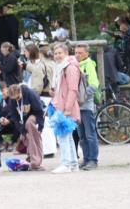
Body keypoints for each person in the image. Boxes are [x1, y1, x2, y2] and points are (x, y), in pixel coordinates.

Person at [50, 43, 82, 174]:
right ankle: (73, 164)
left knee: (63, 135)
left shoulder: (70, 68)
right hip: (60, 104)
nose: (57, 56)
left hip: (66, 106)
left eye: (60, 53)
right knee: (67, 136)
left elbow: (73, 89)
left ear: (66, 53)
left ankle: (66, 163)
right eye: (56, 53)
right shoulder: (59, 68)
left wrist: (68, 108)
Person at [74, 44, 100, 170]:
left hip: (86, 106)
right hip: (77, 107)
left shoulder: (89, 65)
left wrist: (82, 97)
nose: (77, 55)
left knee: (90, 134)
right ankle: (86, 158)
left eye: (80, 53)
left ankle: (93, 160)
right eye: (76, 52)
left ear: (86, 53)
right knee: (82, 136)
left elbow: (94, 84)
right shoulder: (76, 66)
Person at [9, 83, 45, 170]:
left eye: (18, 98)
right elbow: (15, 117)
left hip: (36, 114)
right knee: (27, 137)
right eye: (14, 99)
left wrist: (40, 126)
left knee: (31, 128)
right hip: (23, 118)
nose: (16, 100)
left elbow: (40, 110)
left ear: (20, 92)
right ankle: (30, 158)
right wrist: (23, 131)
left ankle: (36, 162)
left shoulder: (30, 93)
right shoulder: (12, 100)